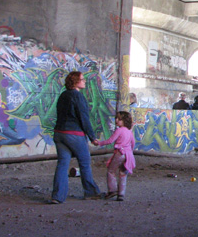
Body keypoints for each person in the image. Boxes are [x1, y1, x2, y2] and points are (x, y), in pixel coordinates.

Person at [50, 71, 103, 203]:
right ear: (75, 82)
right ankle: (91, 192)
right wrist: (92, 137)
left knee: (62, 164)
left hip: (59, 133)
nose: (84, 81)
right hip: (74, 135)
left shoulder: (62, 95)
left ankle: (57, 197)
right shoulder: (78, 96)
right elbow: (84, 118)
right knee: (84, 163)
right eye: (82, 79)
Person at [98, 111, 136, 202]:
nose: (116, 120)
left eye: (119, 119)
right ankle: (121, 194)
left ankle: (112, 190)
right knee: (123, 173)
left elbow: (110, 141)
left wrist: (99, 143)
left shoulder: (119, 130)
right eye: (116, 118)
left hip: (119, 153)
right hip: (128, 155)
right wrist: (130, 151)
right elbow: (133, 143)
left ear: (124, 121)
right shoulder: (129, 132)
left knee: (111, 171)